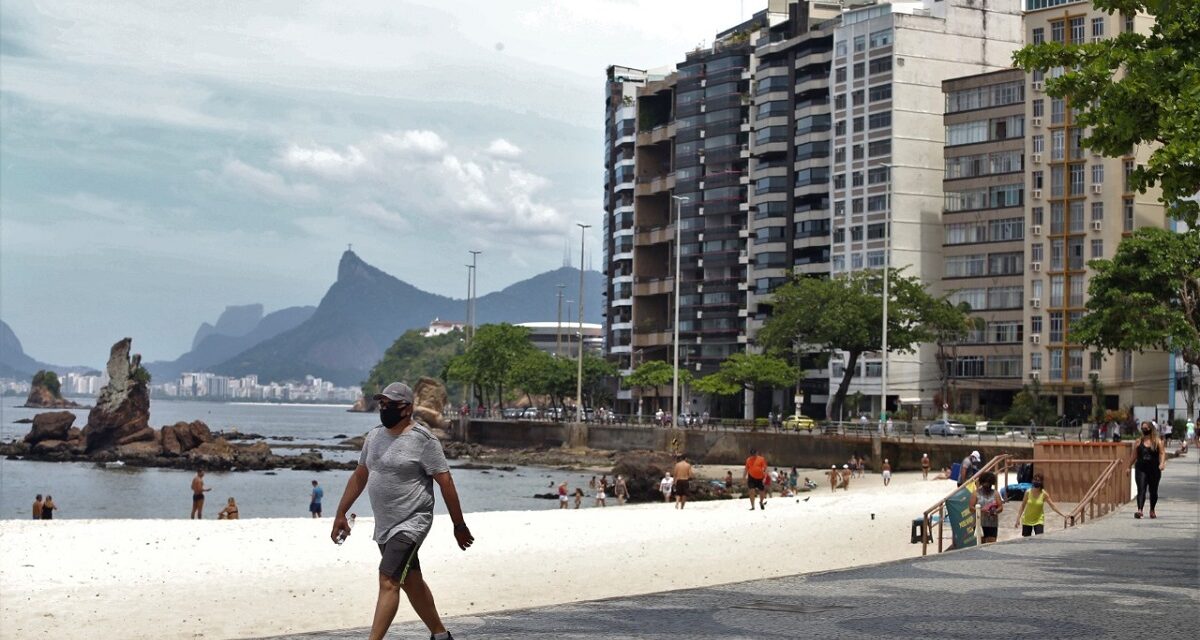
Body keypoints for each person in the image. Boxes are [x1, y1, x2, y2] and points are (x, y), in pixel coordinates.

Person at [330, 382, 473, 640]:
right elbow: (360, 476)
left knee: (388, 580)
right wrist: (341, 513)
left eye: (390, 405)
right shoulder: (374, 437)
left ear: (407, 409)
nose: (384, 409)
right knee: (410, 580)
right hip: (385, 524)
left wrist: (459, 525)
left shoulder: (424, 440)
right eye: (382, 404)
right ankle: (441, 635)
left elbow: (446, 482)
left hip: (412, 521)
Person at [1130, 421, 1167, 519]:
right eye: (1142, 428)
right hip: (1141, 468)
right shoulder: (1138, 442)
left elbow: (1162, 453)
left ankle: (1152, 510)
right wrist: (1128, 466)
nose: (1144, 430)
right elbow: (1134, 456)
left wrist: (1162, 463)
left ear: (1151, 429)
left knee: (1153, 491)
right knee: (1141, 489)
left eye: (1146, 428)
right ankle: (1140, 510)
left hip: (1154, 469)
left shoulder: (1157, 441)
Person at [969, 471, 1003, 544]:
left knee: (992, 544)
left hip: (992, 523)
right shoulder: (976, 493)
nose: (987, 487)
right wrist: (981, 510)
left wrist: (995, 511)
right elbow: (971, 508)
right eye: (985, 485)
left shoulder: (995, 493)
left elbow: (1000, 507)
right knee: (981, 544)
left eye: (989, 485)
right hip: (979, 523)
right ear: (982, 483)